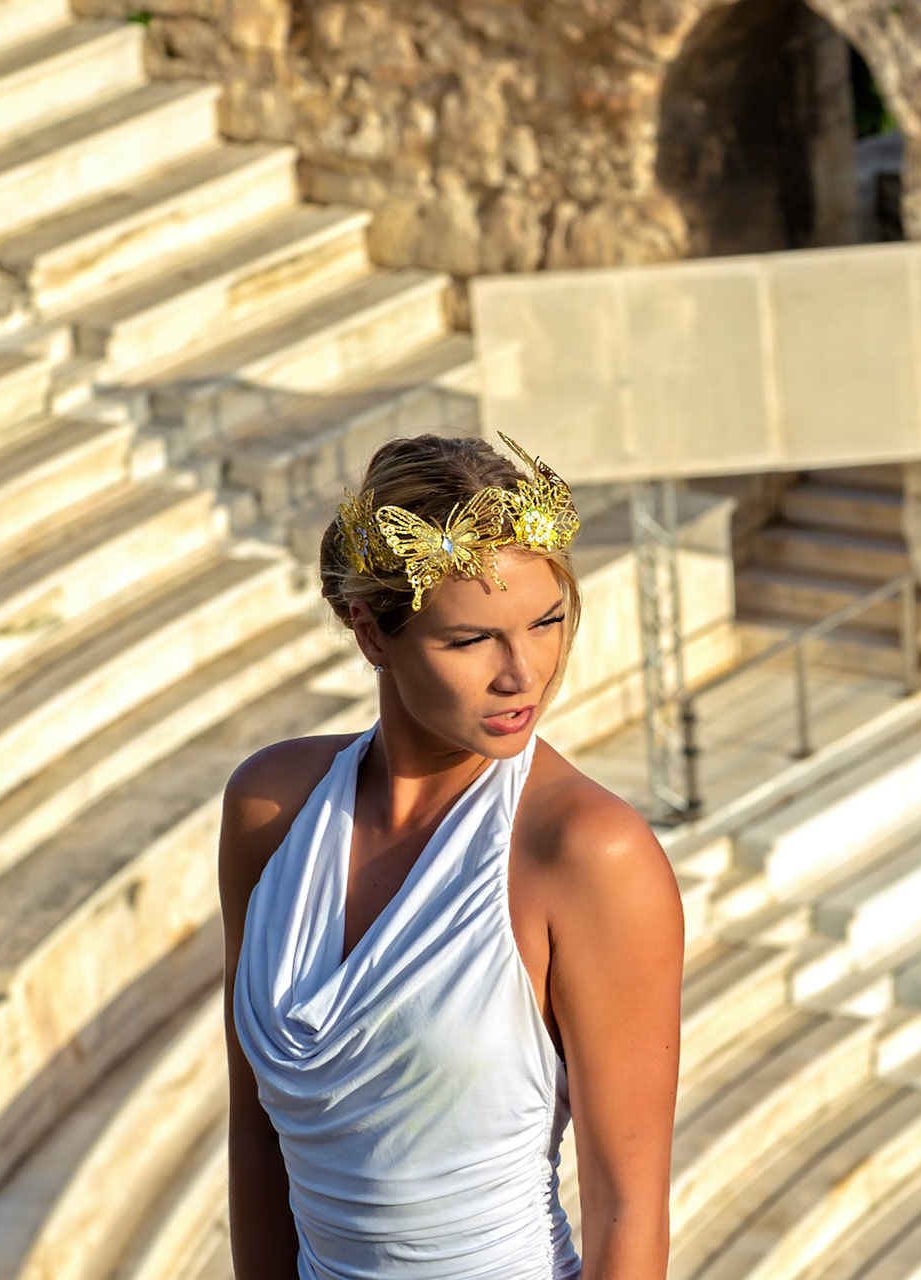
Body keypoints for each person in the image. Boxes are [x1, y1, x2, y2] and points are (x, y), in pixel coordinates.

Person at [217, 432, 682, 1279]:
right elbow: (257, 1133)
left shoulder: (588, 853)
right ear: (371, 633)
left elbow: (629, 1208)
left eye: (545, 623)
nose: (523, 675)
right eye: (471, 641)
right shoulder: (270, 808)